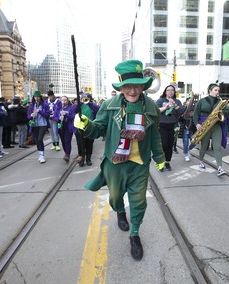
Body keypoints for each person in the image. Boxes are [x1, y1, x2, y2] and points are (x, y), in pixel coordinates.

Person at [75, 59, 164, 261]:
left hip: (139, 164)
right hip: (115, 164)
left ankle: (134, 234)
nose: (132, 91)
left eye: (137, 85)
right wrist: (86, 124)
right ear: (121, 87)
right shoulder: (109, 105)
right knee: (115, 197)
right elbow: (98, 129)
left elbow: (155, 136)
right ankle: (119, 211)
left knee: (139, 201)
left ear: (143, 86)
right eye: (127, 86)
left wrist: (159, 157)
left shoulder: (150, 106)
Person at [192, 83, 229, 176]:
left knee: (217, 147)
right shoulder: (202, 101)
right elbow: (196, 113)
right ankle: (201, 161)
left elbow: (227, 113)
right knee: (204, 146)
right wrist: (197, 124)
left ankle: (220, 168)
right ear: (210, 90)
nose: (217, 92)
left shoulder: (220, 101)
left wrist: (222, 111)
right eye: (215, 90)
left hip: (216, 125)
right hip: (205, 125)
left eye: (218, 90)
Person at [155, 84, 184, 171]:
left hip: (173, 126)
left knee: (170, 145)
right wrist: (165, 107)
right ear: (165, 92)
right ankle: (161, 162)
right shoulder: (160, 100)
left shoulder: (177, 101)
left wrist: (175, 105)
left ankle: (167, 162)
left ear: (174, 92)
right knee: (164, 144)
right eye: (168, 90)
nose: (170, 92)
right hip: (162, 126)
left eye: (172, 90)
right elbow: (156, 111)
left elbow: (181, 112)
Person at [74, 92, 100, 166]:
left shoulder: (92, 105)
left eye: (85, 97)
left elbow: (98, 110)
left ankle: (88, 159)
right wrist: (80, 103)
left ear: (89, 98)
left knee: (89, 144)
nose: (84, 99)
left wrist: (89, 103)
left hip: (90, 128)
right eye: (82, 97)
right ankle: (81, 159)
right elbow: (74, 110)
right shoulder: (79, 105)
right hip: (79, 128)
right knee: (80, 144)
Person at [27, 91, 51, 164]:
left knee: (40, 139)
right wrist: (31, 116)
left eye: (38, 97)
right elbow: (28, 116)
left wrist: (40, 111)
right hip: (34, 125)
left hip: (42, 124)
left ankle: (42, 156)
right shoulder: (31, 105)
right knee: (37, 140)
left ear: (40, 97)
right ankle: (40, 154)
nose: (36, 98)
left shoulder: (45, 105)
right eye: (35, 97)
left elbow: (47, 114)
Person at [53, 96, 75, 162]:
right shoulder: (58, 108)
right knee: (63, 142)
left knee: (67, 141)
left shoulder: (71, 108)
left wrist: (66, 115)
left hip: (68, 127)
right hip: (61, 127)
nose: (64, 102)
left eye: (65, 100)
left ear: (68, 101)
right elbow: (55, 117)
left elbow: (73, 117)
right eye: (62, 100)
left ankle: (67, 155)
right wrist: (58, 119)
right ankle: (66, 153)